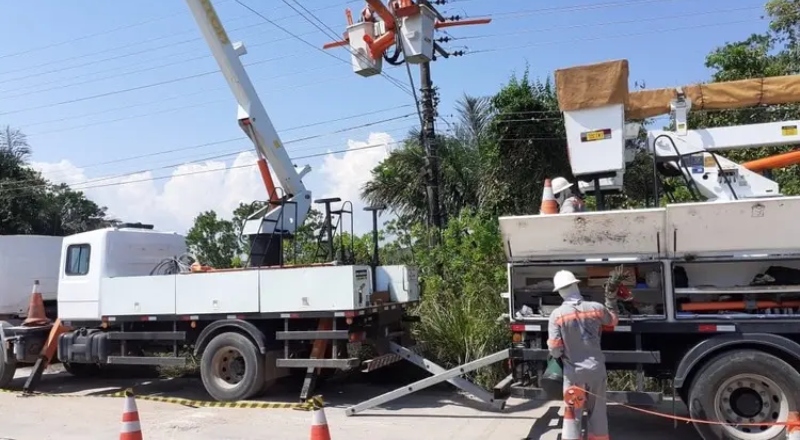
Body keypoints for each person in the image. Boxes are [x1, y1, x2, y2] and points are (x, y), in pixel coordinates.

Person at [547, 270, 619, 440]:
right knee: (598, 413)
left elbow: (555, 350)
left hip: (574, 375)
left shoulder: (556, 316)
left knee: (573, 414)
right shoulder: (596, 308)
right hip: (596, 371)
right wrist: (611, 301)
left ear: (560, 291)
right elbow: (613, 321)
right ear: (576, 285)